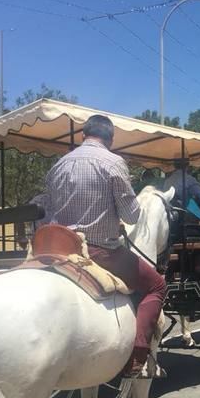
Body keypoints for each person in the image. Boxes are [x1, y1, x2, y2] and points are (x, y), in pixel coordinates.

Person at [45, 114, 167, 378]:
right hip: (100, 252)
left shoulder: (58, 166)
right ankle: (137, 357)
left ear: (83, 135)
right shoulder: (112, 163)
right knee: (157, 285)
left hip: (59, 249)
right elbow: (133, 215)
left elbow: (48, 212)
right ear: (110, 139)